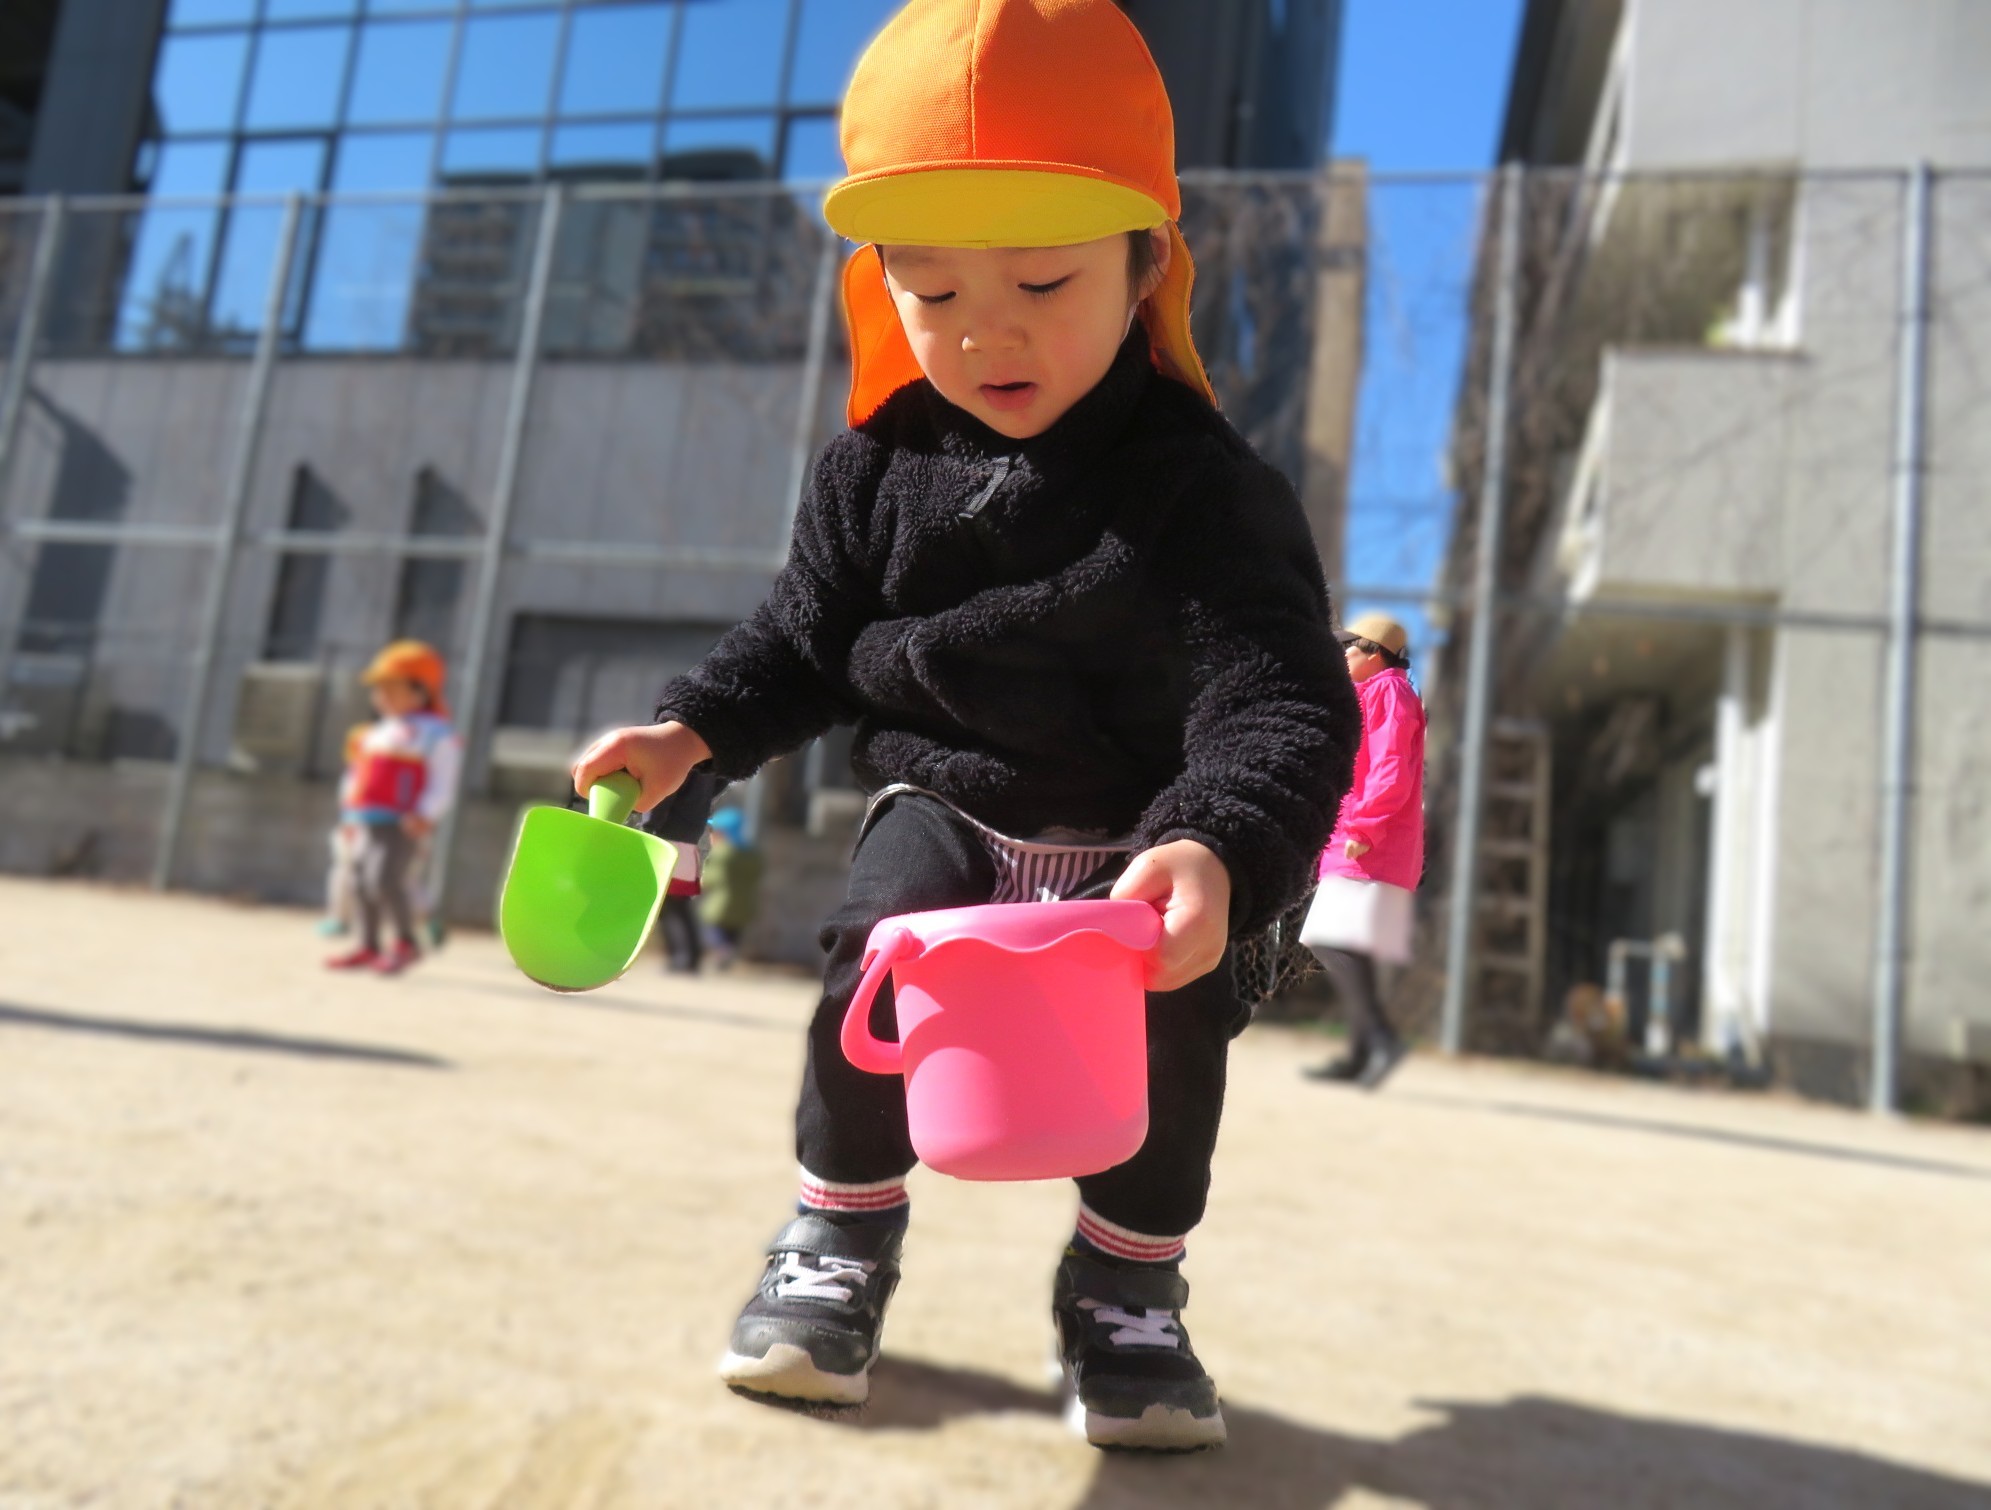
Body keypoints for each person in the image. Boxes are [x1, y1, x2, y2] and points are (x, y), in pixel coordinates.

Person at [568, 0, 1358, 1453]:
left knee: (1168, 1028)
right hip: (947, 800)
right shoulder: (873, 470)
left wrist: (1215, 843)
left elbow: (1279, 696)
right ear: (879, 286)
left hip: (1140, 831)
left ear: (1145, 263)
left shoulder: (1203, 488)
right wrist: (689, 732)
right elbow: (801, 641)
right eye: (930, 290)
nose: (986, 329)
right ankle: (835, 1237)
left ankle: (1127, 1287)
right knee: (873, 958)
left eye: (1042, 280)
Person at [1300, 614, 1427, 1089]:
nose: (1343, 655)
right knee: (1348, 943)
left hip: (1368, 842)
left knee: (1327, 938)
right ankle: (1361, 1051)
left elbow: (1391, 768)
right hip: (1362, 837)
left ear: (1374, 652)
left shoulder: (1388, 692)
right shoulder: (1376, 692)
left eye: (1349, 647)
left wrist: (1366, 826)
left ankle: (1380, 1039)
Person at [325, 641, 461, 976]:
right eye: (378, 689)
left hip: (402, 821)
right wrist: (349, 813)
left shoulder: (434, 734)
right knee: (358, 880)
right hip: (366, 817)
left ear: (420, 691)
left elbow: (443, 779)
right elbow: (357, 775)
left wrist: (427, 812)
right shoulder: (377, 732)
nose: (381, 696)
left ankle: (405, 942)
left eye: (391, 688)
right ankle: (368, 944)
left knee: (385, 879)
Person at [697, 807, 763, 969]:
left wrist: (700, 882)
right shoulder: (752, 854)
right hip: (744, 904)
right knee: (733, 933)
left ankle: (724, 953)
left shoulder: (722, 853)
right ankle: (728, 956)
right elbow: (756, 874)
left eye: (713, 831)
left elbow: (713, 878)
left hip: (721, 903)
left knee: (713, 931)